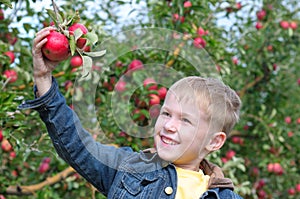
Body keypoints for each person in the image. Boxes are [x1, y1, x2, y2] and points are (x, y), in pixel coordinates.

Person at [19, 26, 243, 199]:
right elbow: (76, 144)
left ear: (214, 141)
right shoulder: (128, 168)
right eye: (166, 114)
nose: (169, 125)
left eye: (185, 120)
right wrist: (43, 79)